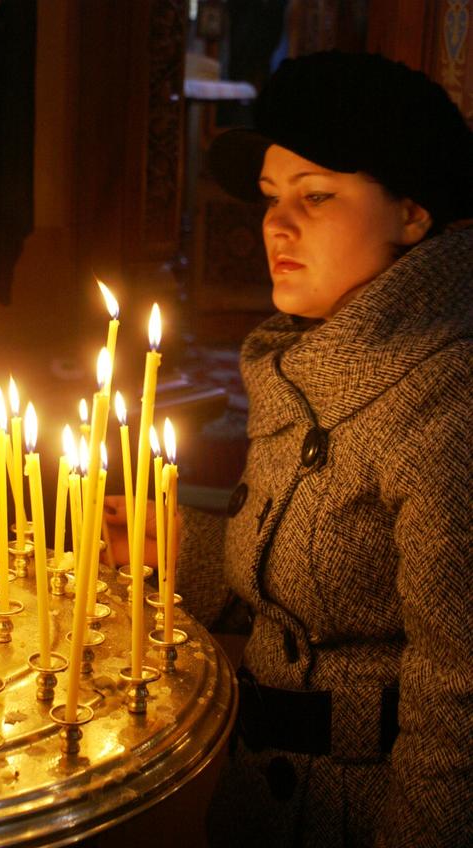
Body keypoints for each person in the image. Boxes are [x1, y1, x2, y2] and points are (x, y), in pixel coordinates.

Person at [105, 51, 472, 847]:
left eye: (317, 195)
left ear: (412, 214)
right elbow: (314, 596)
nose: (275, 223)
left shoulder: (447, 401)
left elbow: (460, 714)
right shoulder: (309, 361)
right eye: (272, 196)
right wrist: (173, 546)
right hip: (262, 801)